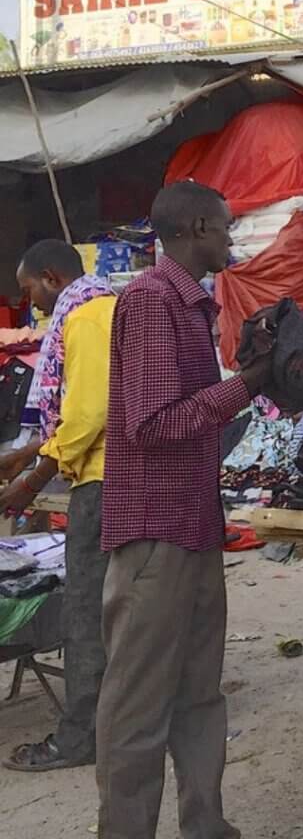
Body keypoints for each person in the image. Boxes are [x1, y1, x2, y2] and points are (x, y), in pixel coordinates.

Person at [95, 182, 273, 839]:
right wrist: (245, 386)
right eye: (226, 228)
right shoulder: (150, 301)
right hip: (154, 534)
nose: (232, 238)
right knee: (138, 707)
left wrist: (246, 375)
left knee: (200, 695)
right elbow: (150, 424)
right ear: (197, 226)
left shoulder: (194, 306)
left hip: (194, 527)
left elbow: (194, 414)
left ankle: (206, 825)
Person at [1, 241, 115, 773]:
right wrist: (27, 454)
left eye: (31, 292)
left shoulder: (87, 316)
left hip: (100, 478)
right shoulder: (102, 306)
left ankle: (80, 738)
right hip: (111, 474)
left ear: (50, 277)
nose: (34, 305)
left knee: (84, 611)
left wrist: (34, 479)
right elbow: (79, 409)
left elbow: (90, 413)